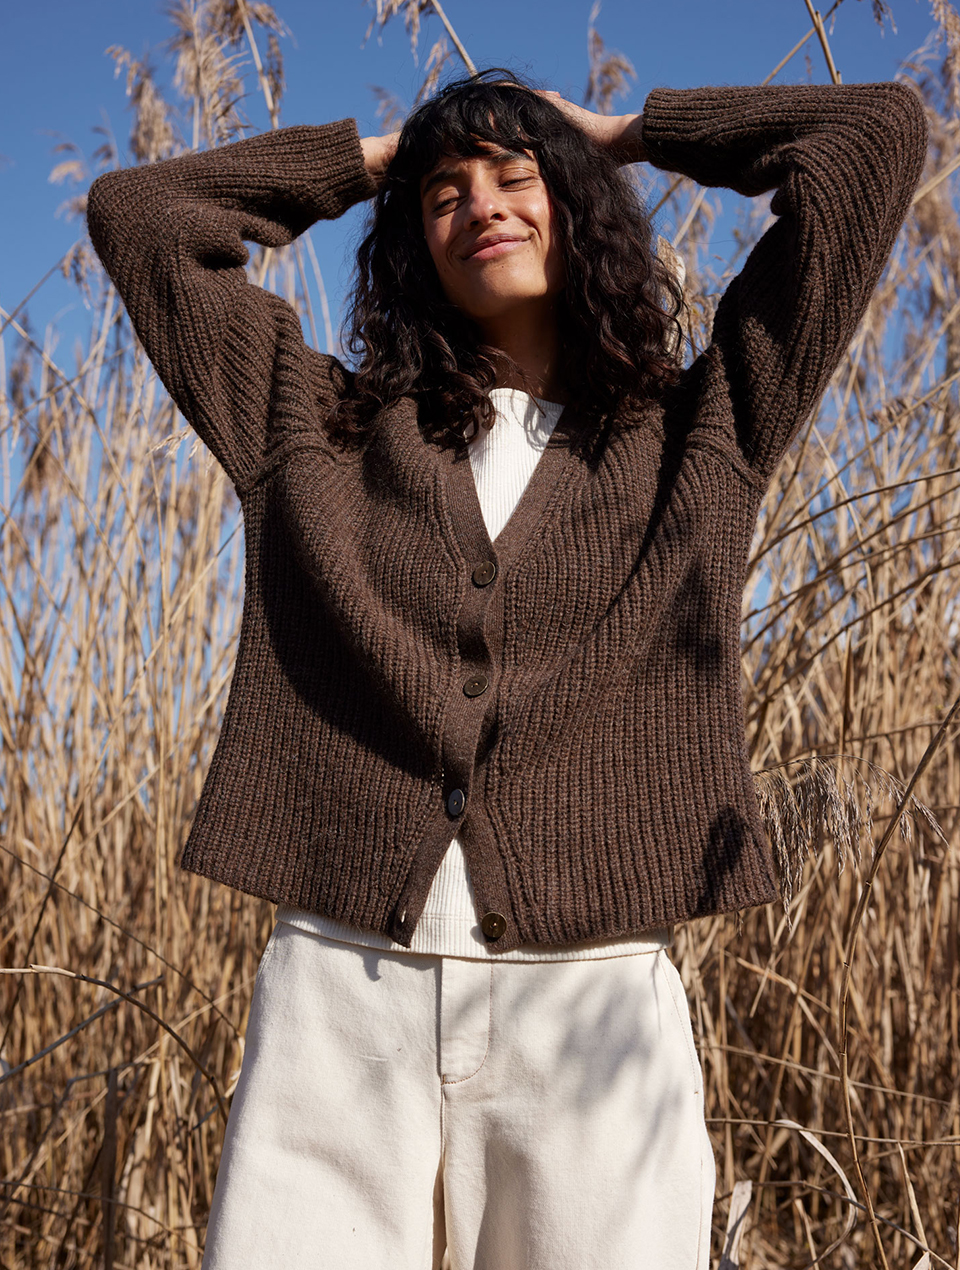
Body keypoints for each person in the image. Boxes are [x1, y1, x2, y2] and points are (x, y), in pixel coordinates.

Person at [86, 69, 927, 1269]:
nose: (480, 200)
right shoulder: (313, 426)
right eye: (446, 193)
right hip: (341, 990)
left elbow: (872, 138)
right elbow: (141, 216)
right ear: (410, 241)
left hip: (589, 1001)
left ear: (578, 201)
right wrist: (384, 154)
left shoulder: (701, 432)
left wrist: (620, 133)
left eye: (513, 176)